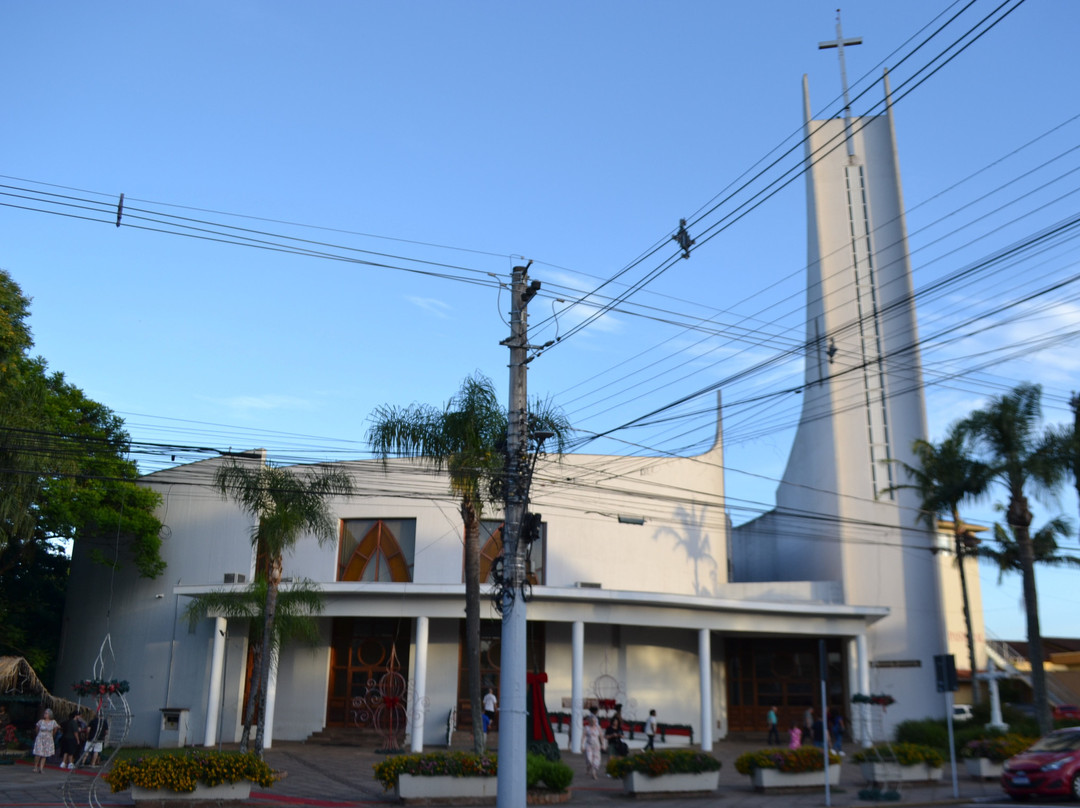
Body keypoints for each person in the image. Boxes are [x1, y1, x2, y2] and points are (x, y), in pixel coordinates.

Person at [33, 708, 59, 773]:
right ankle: (35, 766)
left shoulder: (53, 722)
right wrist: (39, 735)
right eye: (44, 713)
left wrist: (51, 735)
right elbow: (37, 729)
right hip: (40, 737)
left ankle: (41, 768)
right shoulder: (40, 721)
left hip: (48, 738)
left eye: (46, 713)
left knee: (45, 754)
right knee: (38, 753)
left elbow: (55, 729)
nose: (45, 714)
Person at [582, 714, 603, 779]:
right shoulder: (586, 728)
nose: (593, 722)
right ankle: (588, 767)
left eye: (594, 721)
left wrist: (603, 744)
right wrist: (582, 745)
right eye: (591, 721)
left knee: (596, 760)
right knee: (589, 759)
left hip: (596, 746)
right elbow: (583, 737)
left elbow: (601, 736)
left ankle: (594, 773)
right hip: (589, 745)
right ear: (589, 721)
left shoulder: (598, 728)